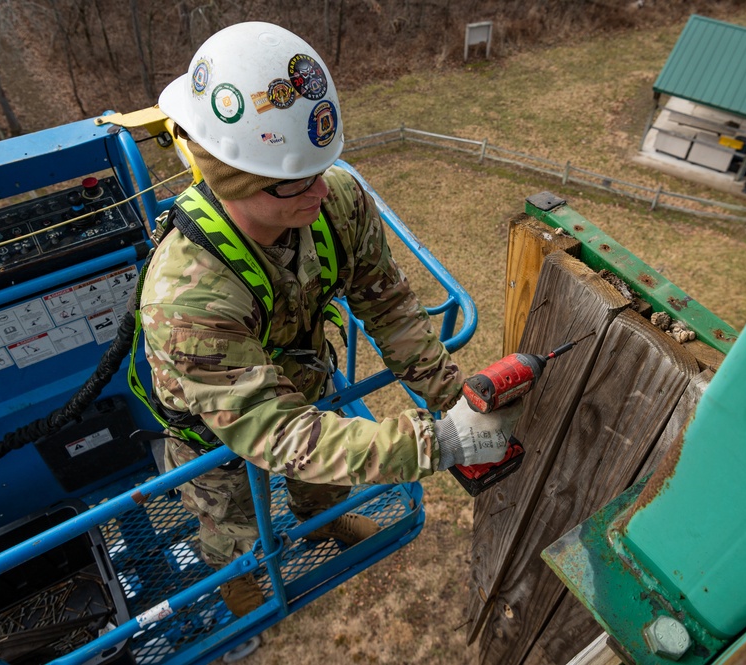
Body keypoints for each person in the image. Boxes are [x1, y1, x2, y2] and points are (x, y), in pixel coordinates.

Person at [141, 21, 522, 616]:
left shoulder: (334, 199)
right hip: (212, 430)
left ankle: (322, 524)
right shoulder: (188, 296)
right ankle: (236, 575)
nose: (318, 190)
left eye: (320, 170)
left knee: (322, 480)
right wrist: (439, 442)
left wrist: (455, 401)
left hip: (300, 383)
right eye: (292, 183)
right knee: (229, 515)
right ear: (230, 178)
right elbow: (277, 433)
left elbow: (388, 303)